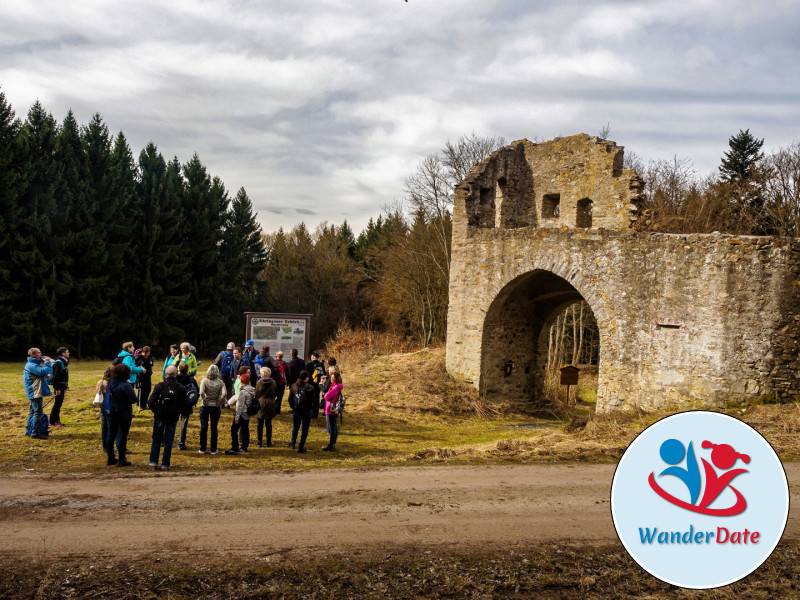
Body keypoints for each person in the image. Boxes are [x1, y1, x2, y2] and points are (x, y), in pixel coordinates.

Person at [147, 365, 189, 470]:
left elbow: (150, 402)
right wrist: (178, 411)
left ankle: (153, 461)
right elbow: (185, 403)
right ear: (176, 374)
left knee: (156, 439)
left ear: (166, 374)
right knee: (168, 441)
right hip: (172, 417)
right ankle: (165, 464)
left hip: (160, 416)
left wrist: (155, 411)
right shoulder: (180, 387)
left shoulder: (159, 386)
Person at [106, 363, 137, 466]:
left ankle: (110, 458)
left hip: (111, 412)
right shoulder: (126, 385)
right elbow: (134, 399)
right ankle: (122, 459)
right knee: (122, 436)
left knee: (111, 434)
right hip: (123, 412)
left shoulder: (110, 382)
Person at [23, 348, 54, 439]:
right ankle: (35, 433)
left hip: (35, 391)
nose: (41, 354)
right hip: (34, 392)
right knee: (38, 412)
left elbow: (43, 373)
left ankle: (29, 430)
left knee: (32, 412)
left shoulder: (33, 364)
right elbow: (41, 372)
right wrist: (48, 362)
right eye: (39, 353)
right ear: (34, 355)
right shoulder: (31, 365)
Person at [198, 364, 227, 454]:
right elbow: (224, 393)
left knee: (203, 427)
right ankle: (213, 449)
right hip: (215, 406)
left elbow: (201, 392)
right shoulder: (220, 382)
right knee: (214, 427)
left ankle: (202, 448)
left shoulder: (204, 381)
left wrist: (204, 399)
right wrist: (220, 401)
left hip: (205, 406)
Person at [225, 372, 255, 455]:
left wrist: (237, 417)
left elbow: (240, 407)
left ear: (241, 382)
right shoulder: (252, 390)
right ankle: (244, 447)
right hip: (247, 414)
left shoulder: (243, 392)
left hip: (242, 413)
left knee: (234, 430)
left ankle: (235, 447)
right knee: (245, 430)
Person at [289, 371, 315, 453]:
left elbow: (290, 399)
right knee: (305, 429)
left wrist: (294, 407)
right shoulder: (310, 387)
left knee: (295, 427)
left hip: (297, 410)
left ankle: (292, 443)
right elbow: (314, 399)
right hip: (307, 410)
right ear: (306, 378)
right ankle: (301, 446)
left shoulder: (293, 386)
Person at [176, 363, 199, 450]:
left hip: (176, 404)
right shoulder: (191, 379)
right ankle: (181, 443)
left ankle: (167, 440)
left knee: (172, 423)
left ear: (179, 369)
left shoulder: (176, 378)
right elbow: (197, 391)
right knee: (183, 424)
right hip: (187, 404)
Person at [254, 366, 278, 447]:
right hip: (270, 402)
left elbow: (256, 394)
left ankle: (259, 442)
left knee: (260, 424)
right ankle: (268, 442)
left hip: (261, 403)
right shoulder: (274, 382)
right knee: (269, 424)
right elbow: (275, 392)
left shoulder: (259, 382)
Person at [322, 369, 344, 451]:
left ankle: (331, 445)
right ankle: (332, 444)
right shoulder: (337, 386)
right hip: (334, 409)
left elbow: (326, 397)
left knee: (331, 428)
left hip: (331, 409)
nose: (331, 379)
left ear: (335, 379)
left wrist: (326, 392)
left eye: (332, 378)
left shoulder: (335, 387)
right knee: (333, 426)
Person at [49, 347, 70, 427]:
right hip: (58, 387)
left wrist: (65, 386)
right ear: (63, 353)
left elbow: (63, 376)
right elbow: (55, 377)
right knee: (57, 404)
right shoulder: (59, 363)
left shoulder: (63, 362)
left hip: (61, 386)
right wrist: (57, 388)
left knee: (59, 404)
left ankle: (56, 421)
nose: (69, 353)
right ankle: (52, 421)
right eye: (67, 352)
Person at [95, 367, 112, 451]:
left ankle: (105, 446)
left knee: (104, 427)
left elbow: (97, 392)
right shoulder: (111, 383)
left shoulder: (100, 382)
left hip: (102, 406)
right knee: (110, 427)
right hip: (110, 406)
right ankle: (109, 446)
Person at [306, 351, 325, 419]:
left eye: (311, 356)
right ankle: (315, 414)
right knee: (316, 398)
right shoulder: (321, 364)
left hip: (310, 384)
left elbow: (306, 375)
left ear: (313, 357)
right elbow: (323, 375)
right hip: (317, 384)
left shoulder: (308, 364)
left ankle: (310, 413)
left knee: (309, 398)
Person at [136, 346, 154, 410]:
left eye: (148, 352)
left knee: (148, 389)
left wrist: (149, 372)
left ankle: (144, 404)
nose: (146, 354)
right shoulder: (139, 358)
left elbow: (151, 366)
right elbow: (138, 366)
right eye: (145, 353)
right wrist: (142, 369)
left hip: (148, 377)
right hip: (141, 378)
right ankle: (140, 405)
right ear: (143, 352)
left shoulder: (150, 358)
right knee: (142, 391)